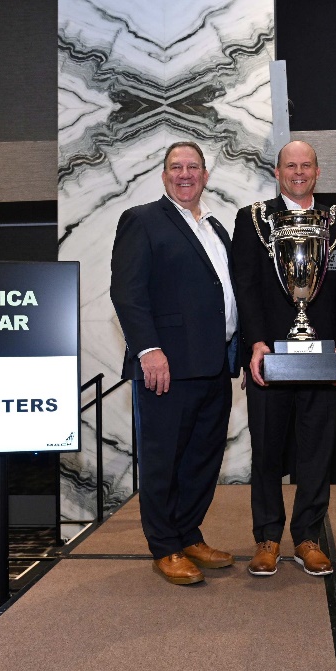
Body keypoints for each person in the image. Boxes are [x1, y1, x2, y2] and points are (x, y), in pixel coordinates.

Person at [110, 141, 241, 585]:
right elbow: (127, 293)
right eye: (175, 167)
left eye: (193, 167)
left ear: (206, 175)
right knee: (164, 459)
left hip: (215, 363)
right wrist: (149, 350)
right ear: (164, 175)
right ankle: (164, 545)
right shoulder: (142, 221)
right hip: (166, 366)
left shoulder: (216, 227)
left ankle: (188, 534)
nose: (185, 174)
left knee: (202, 458)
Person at [232, 140, 336, 577]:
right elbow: (245, 286)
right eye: (291, 165)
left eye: (306, 165)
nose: (299, 172)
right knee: (266, 451)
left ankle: (307, 536)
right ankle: (267, 538)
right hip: (269, 359)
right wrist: (256, 342)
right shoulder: (252, 219)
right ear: (277, 171)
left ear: (318, 172)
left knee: (316, 452)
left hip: (321, 358)